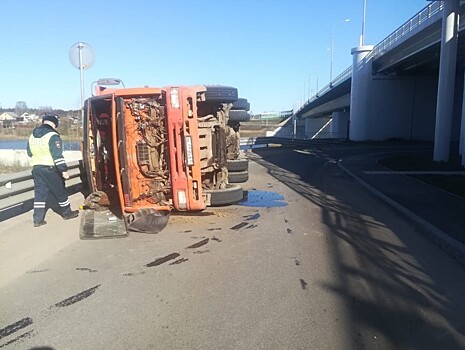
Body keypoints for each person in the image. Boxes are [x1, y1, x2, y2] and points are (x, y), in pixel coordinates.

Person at [27, 114, 79, 227]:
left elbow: (29, 153)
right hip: (50, 169)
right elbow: (57, 156)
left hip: (36, 168)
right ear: (54, 123)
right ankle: (67, 213)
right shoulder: (53, 136)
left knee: (40, 194)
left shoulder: (32, 136)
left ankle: (38, 219)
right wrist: (64, 171)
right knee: (60, 192)